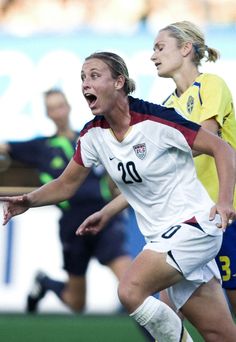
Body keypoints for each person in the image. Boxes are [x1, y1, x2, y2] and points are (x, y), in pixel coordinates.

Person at [1, 52, 236, 342]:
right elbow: (65, 185)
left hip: (195, 225)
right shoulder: (92, 136)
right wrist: (28, 200)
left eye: (95, 75)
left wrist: (224, 201)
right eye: (83, 78)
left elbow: (223, 149)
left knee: (129, 289)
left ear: (119, 82)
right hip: (163, 236)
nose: (86, 83)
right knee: (221, 335)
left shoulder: (155, 120)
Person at [0, 88, 133, 315]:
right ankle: (45, 283)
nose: (58, 112)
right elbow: (5, 147)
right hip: (72, 225)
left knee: (131, 287)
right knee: (76, 303)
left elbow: (114, 172)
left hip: (103, 219)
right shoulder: (41, 147)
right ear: (47, 114)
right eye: (52, 108)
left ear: (69, 107)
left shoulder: (89, 137)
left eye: (60, 106)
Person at [150, 20, 236, 315]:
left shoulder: (211, 85)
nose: (153, 56)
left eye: (160, 48)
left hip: (227, 214)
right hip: (193, 222)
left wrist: (156, 156)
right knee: (164, 311)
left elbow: (207, 138)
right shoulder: (165, 106)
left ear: (186, 48)